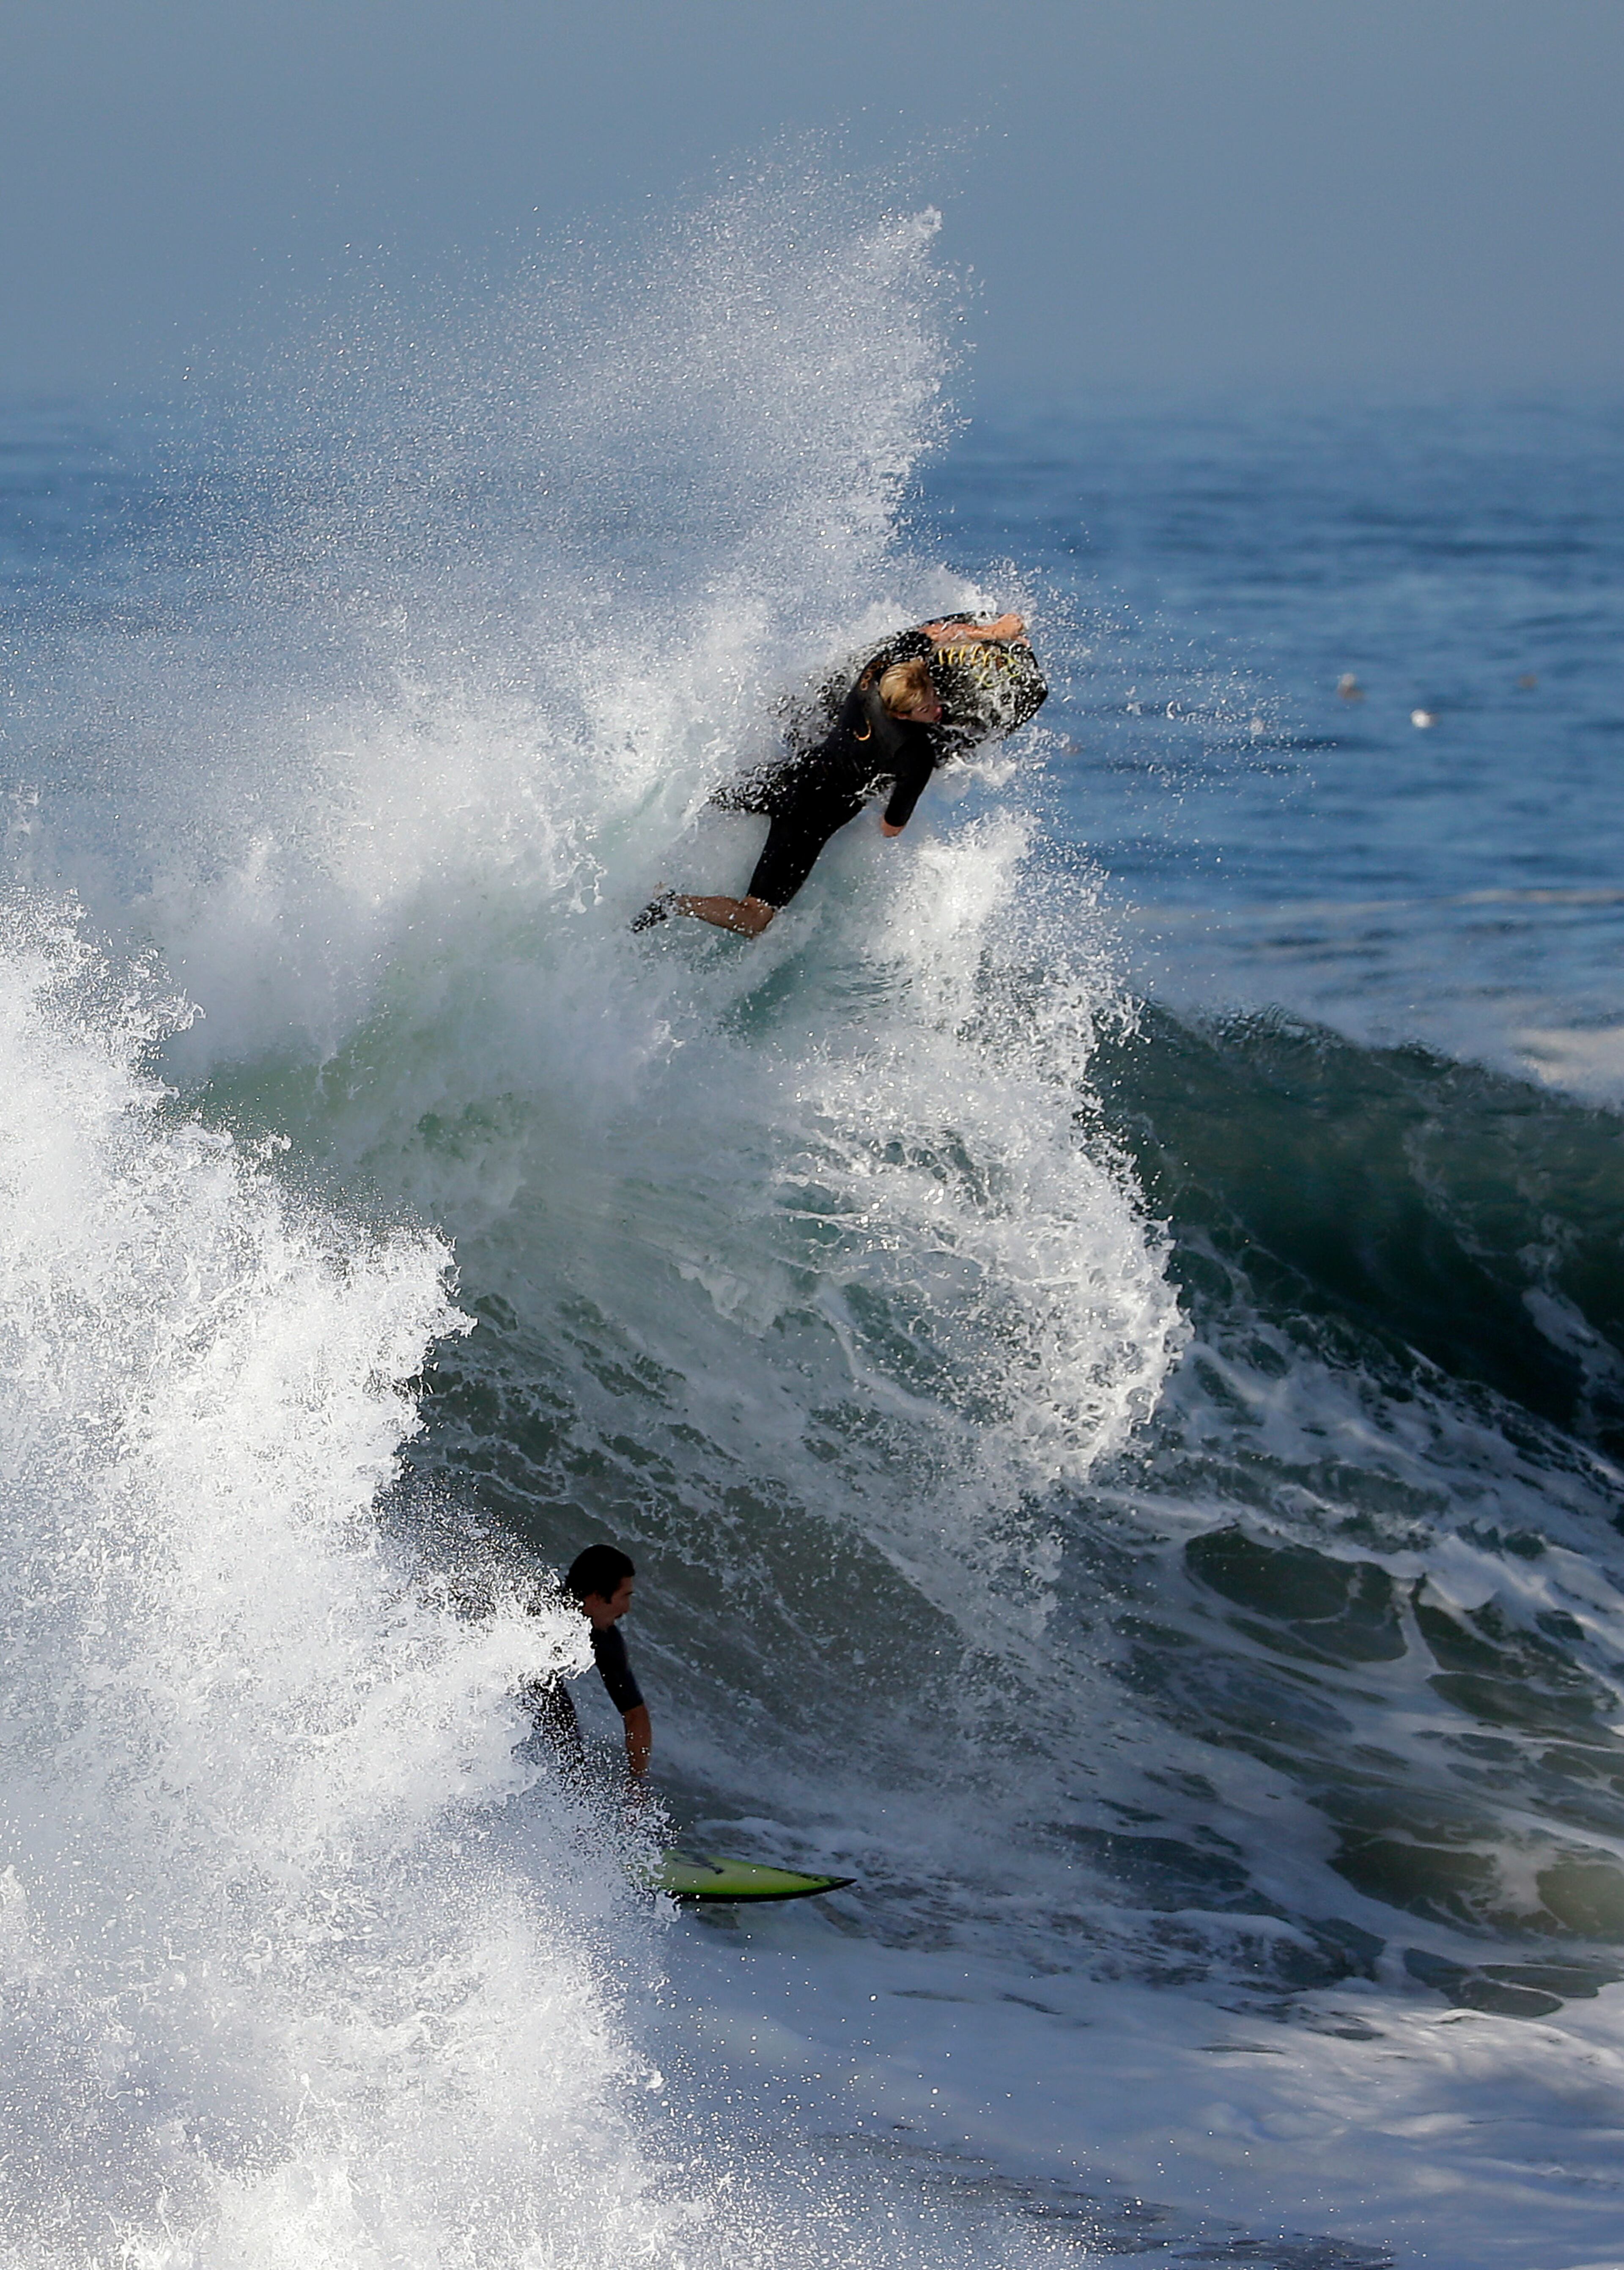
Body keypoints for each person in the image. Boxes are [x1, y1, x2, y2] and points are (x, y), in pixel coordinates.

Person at [633, 612, 1044, 938]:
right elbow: (890, 829)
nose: (938, 707)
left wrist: (993, 631)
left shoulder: (875, 673)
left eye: (934, 698)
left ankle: (644, 856)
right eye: (927, 709)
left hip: (786, 777)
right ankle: (674, 903)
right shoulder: (915, 756)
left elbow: (931, 633)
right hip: (809, 822)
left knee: (708, 800)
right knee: (756, 920)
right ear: (902, 714)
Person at [522, 1543, 651, 1782]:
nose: (627, 1608)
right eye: (625, 1596)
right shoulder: (538, 1612)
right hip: (497, 1673)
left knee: (569, 1748)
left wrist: (637, 1784)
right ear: (597, 1597)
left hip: (538, 1681)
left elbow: (636, 1715)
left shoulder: (605, 1641)